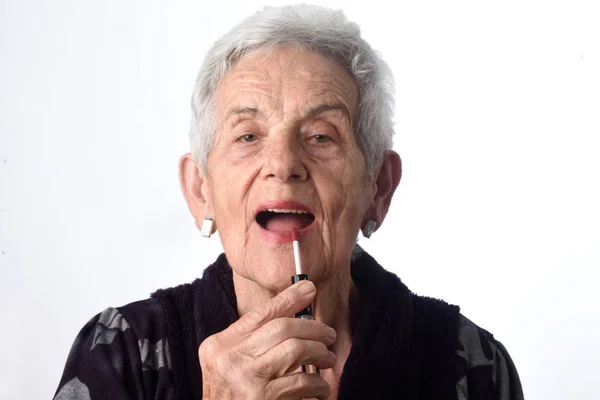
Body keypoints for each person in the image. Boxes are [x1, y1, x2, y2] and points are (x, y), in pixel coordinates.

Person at [54, 4, 524, 400]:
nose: (283, 163)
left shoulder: (470, 364)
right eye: (247, 135)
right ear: (200, 189)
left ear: (378, 186)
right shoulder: (121, 354)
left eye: (321, 136)